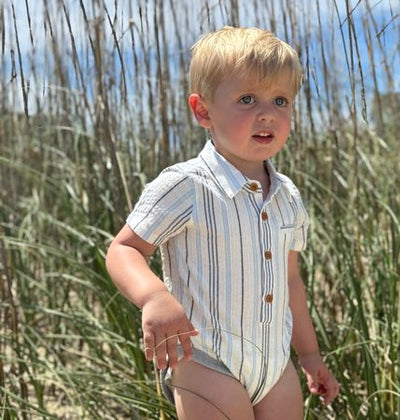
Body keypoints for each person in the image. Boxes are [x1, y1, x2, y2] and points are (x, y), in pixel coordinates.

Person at [105, 26, 339, 420]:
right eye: (247, 99)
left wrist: (310, 354)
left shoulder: (287, 196)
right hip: (206, 360)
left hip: (275, 362)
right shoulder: (186, 185)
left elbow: (290, 280)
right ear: (203, 111)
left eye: (280, 100)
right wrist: (153, 296)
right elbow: (124, 249)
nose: (267, 113)